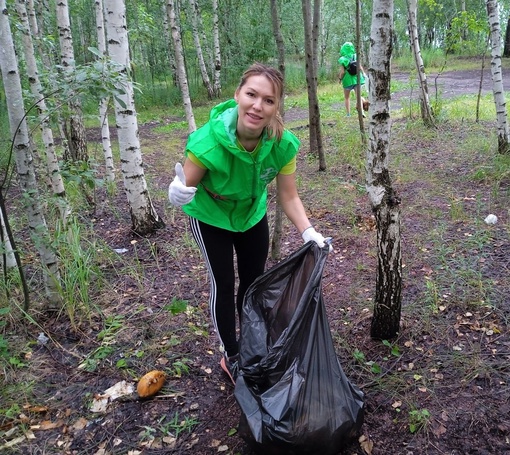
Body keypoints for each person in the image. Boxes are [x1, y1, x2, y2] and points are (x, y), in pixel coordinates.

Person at [168, 63, 330, 385]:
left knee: (254, 283)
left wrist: (308, 231)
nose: (258, 106)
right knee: (224, 283)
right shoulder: (207, 145)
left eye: (268, 100)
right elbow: (185, 185)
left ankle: (253, 344)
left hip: (251, 214)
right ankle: (231, 354)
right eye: (251, 95)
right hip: (211, 215)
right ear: (237, 95)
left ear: (277, 107)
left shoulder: (283, 146)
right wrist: (177, 193)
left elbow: (289, 197)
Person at [338, 41, 367, 117]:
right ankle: (362, 112)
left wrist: (340, 79)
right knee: (358, 96)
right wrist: (363, 73)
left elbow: (343, 72)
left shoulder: (342, 59)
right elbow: (359, 66)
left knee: (347, 97)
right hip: (357, 79)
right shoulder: (355, 56)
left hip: (347, 81)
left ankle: (348, 114)